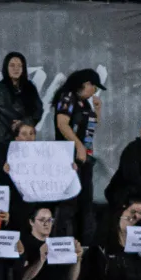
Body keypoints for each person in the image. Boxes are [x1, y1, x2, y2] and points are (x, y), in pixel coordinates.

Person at [52, 69, 104, 243]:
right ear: (85, 84)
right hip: (69, 157)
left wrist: (98, 109)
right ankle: (62, 240)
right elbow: (62, 124)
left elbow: (90, 126)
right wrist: (78, 146)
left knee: (85, 201)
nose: (94, 91)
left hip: (85, 158)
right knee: (69, 202)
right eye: (94, 87)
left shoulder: (84, 103)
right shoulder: (67, 97)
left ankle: (85, 242)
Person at [0, 52, 43, 171]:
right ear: (6, 67)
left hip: (23, 139)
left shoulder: (30, 87)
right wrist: (20, 125)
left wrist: (25, 124)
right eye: (12, 65)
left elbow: (38, 109)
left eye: (19, 66)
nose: (16, 69)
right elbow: (4, 110)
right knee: (2, 175)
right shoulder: (0, 88)